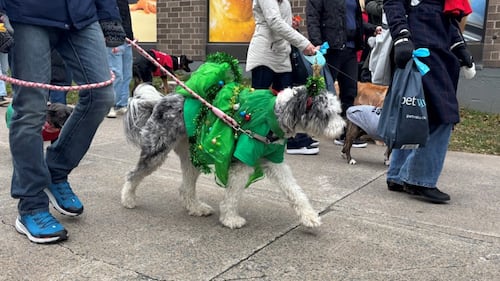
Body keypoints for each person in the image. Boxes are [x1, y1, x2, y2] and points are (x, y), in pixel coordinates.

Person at [4, 0, 125, 243]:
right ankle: (31, 203)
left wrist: (109, 13)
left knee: (101, 96)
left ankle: (56, 171)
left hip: (81, 13)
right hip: (26, 12)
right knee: (31, 109)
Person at [383, 0, 474, 203]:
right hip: (421, 49)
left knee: (416, 113)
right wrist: (401, 37)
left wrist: (460, 48)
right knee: (443, 115)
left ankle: (398, 174)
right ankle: (419, 178)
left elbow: (446, 20)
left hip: (436, 49)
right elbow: (393, 2)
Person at [246, 0, 320, 155]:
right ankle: (250, 140)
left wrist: (290, 23)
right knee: (258, 101)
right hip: (264, 53)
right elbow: (274, 21)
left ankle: (291, 140)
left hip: (281, 54)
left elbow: (278, 21)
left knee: (287, 100)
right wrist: (303, 43)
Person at [307, 0, 379, 148]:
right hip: (330, 48)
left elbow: (354, 22)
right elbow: (312, 17)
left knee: (350, 91)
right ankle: (308, 129)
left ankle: (344, 133)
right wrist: (316, 42)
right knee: (323, 91)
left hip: (350, 49)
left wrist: (372, 29)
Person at [107, 0, 135, 118]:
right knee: (116, 73)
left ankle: (122, 104)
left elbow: (126, 17)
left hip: (127, 39)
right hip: (113, 38)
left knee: (127, 73)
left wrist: (131, 35)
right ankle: (110, 105)